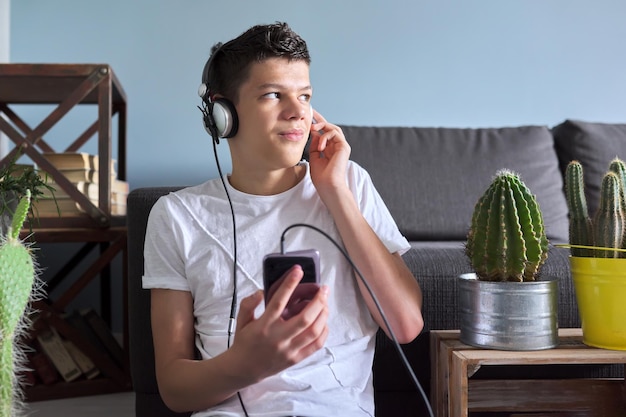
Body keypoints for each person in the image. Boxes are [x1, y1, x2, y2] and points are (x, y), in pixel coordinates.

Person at [143, 22, 424, 417]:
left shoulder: (350, 183)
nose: (297, 113)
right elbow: (174, 390)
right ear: (223, 114)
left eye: (305, 95)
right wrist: (245, 365)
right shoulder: (175, 217)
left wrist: (335, 193)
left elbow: (405, 324)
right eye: (274, 95)